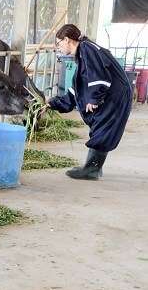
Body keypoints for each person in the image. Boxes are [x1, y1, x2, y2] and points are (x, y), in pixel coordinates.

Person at [46, 24, 132, 180]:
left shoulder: (87, 49)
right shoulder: (83, 54)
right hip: (113, 95)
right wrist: (52, 103)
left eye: (58, 44)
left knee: (103, 128)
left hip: (115, 95)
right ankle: (94, 168)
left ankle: (91, 169)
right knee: (102, 127)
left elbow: (100, 75)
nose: (58, 48)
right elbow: (75, 91)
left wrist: (94, 98)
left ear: (67, 39)